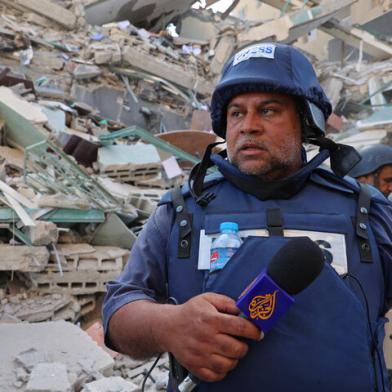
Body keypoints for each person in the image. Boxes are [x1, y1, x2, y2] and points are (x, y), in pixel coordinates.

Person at [103, 43, 392, 392]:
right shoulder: (182, 209)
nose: (248, 126)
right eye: (237, 113)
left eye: (268, 111)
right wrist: (169, 324)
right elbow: (118, 313)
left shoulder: (366, 209)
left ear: (307, 121)